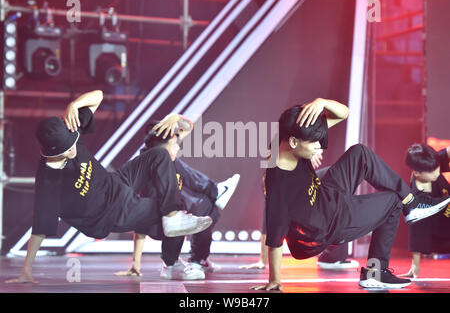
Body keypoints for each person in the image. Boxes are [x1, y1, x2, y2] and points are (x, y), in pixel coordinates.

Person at [5, 90, 212, 284]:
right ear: (50, 153)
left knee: (159, 155)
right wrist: (26, 270)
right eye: (67, 150)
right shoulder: (48, 182)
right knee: (171, 206)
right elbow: (39, 229)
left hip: (116, 181)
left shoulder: (69, 127)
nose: (74, 151)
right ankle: (172, 264)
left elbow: (98, 96)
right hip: (107, 213)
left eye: (73, 143)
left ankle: (172, 216)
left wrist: (74, 104)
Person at [251, 98, 450, 291]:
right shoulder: (279, 183)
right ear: (294, 142)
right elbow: (275, 237)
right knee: (392, 201)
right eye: (313, 143)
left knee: (360, 153)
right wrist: (274, 279)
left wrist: (322, 102)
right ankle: (376, 273)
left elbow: (343, 113)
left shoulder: (288, 138)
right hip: (325, 225)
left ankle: (412, 202)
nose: (319, 147)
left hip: (325, 196)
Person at [115, 118, 240, 279]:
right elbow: (140, 221)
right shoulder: (150, 172)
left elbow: (186, 129)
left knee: (208, 209)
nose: (178, 147)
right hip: (159, 223)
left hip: (174, 211)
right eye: (174, 144)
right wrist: (135, 264)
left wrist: (175, 117)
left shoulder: (170, 161)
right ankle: (172, 263)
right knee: (184, 209)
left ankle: (196, 259)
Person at [399, 143, 450, 278]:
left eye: (437, 168)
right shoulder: (417, 199)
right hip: (441, 236)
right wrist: (415, 267)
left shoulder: (431, 162)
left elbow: (446, 153)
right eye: (432, 171)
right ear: (417, 173)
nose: (437, 173)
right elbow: (417, 232)